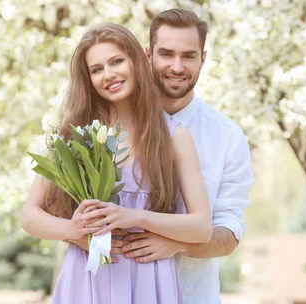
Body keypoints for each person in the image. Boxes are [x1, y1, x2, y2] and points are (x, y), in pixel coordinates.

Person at [20, 23, 212, 303]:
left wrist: (133, 217)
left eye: (116, 61)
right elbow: (29, 216)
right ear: (88, 79)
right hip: (87, 278)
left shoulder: (174, 136)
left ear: (136, 61)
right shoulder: (73, 138)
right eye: (97, 69)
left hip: (150, 279)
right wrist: (71, 232)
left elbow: (202, 227)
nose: (109, 74)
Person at [118, 8, 255, 304]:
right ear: (148, 55)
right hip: (115, 291)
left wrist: (175, 244)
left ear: (203, 59)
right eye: (166, 54)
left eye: (189, 56)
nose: (177, 66)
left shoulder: (227, 136)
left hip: (192, 296)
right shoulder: (111, 126)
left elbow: (229, 234)